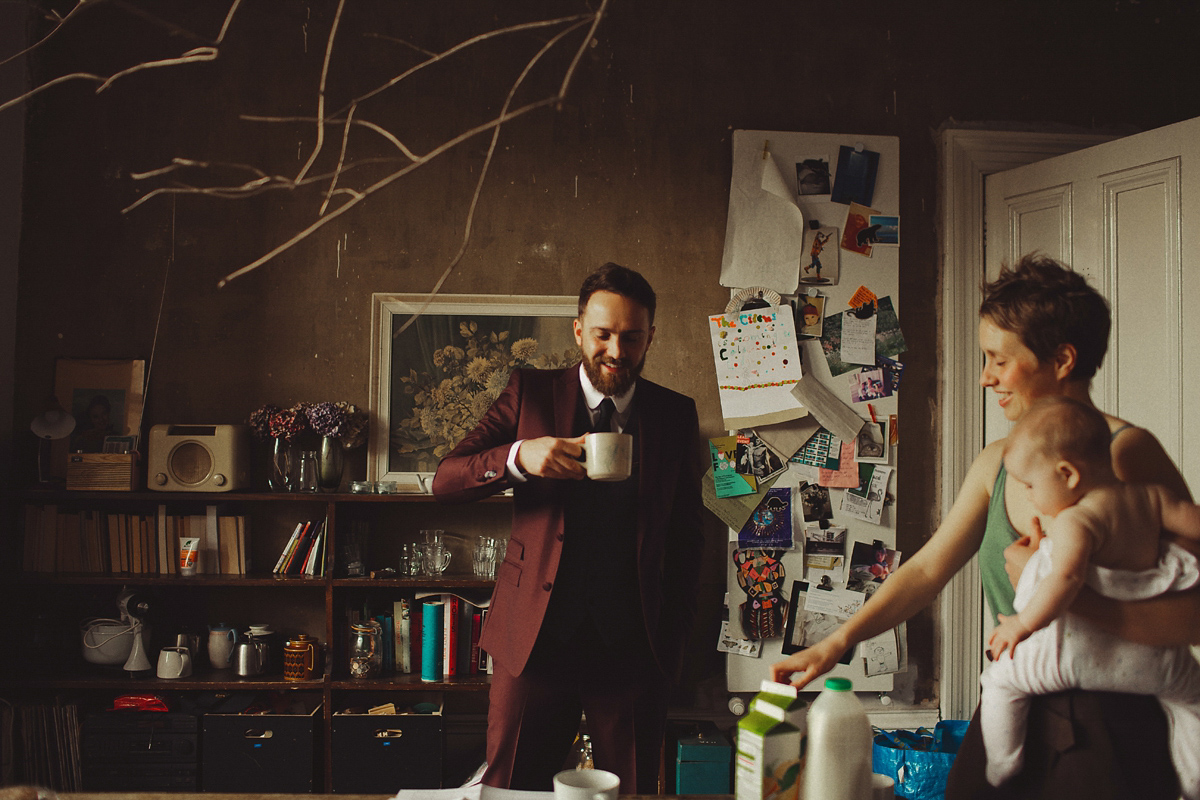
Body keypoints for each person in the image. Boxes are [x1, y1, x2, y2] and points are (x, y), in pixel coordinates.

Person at [771, 254, 1200, 799]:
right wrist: (837, 643)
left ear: (1063, 359)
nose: (985, 376)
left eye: (999, 358)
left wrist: (1050, 592)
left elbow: (1194, 618)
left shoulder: (1126, 455)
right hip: (1015, 708)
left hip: (1113, 724)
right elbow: (927, 569)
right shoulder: (998, 460)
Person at [432, 263, 703, 793]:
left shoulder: (675, 414)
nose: (617, 351)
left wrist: (670, 645)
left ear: (651, 337)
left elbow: (687, 538)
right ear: (579, 330)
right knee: (512, 789)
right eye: (603, 334)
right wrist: (520, 455)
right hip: (534, 643)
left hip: (632, 646)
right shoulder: (528, 393)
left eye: (632, 337)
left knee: (629, 792)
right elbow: (446, 480)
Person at [980, 395, 1200, 796]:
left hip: (1072, 658)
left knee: (1000, 683)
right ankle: (1193, 778)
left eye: (1031, 484)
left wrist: (1021, 623)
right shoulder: (1153, 497)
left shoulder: (1076, 520)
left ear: (1067, 474)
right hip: (1153, 663)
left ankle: (1002, 764)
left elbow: (1065, 579)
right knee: (1191, 699)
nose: (1029, 495)